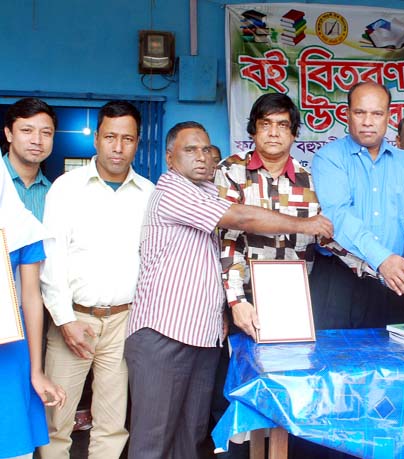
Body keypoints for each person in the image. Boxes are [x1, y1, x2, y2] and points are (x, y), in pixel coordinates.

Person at [124, 121, 333, 459]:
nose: (202, 157)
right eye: (190, 150)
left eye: (207, 149)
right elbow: (241, 218)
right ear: (169, 157)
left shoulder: (207, 191)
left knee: (189, 436)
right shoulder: (171, 190)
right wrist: (305, 224)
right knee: (153, 439)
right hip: (163, 333)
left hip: (203, 334)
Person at [39, 100, 153, 459]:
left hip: (124, 320)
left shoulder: (150, 194)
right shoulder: (66, 188)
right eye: (110, 137)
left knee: (112, 422)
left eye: (127, 139)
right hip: (73, 319)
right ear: (97, 140)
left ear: (138, 142)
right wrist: (65, 320)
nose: (118, 148)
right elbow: (51, 258)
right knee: (57, 420)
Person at [310, 81, 404, 330]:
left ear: (388, 117)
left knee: (388, 361)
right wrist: (382, 259)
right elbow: (339, 214)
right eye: (360, 112)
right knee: (335, 360)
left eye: (377, 113)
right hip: (339, 278)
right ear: (347, 115)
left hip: (391, 280)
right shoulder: (329, 157)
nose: (368, 121)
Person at [0, 161, 65, 459]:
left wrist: (37, 372)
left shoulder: (20, 225)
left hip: (9, 355)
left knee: (13, 447)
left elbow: (31, 297)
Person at [2, 97, 56, 220]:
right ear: (9, 134)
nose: (37, 141)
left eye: (46, 133)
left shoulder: (55, 194)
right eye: (27, 130)